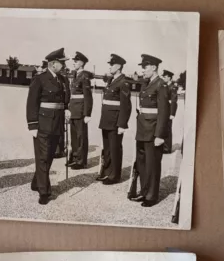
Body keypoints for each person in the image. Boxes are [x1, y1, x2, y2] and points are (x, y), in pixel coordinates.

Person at [26, 48, 71, 205]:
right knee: (43, 157)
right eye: (62, 63)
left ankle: (37, 181)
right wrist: (32, 125)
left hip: (58, 123)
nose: (64, 65)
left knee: (50, 155)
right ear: (53, 64)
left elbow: (66, 99)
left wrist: (66, 109)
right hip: (43, 123)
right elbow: (32, 103)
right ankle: (44, 191)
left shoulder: (63, 80)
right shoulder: (40, 79)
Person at [128, 54, 170, 208]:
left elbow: (164, 112)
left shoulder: (161, 85)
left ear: (153, 67)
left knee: (152, 164)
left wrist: (160, 135)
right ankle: (144, 191)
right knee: (142, 163)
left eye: (145, 67)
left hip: (153, 131)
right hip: (142, 130)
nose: (143, 70)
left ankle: (151, 196)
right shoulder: (147, 83)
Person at [98, 53, 131, 184]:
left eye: (111, 64)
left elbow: (126, 105)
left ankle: (115, 175)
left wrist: (122, 124)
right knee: (107, 148)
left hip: (115, 121)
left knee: (115, 148)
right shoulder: (112, 80)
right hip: (106, 119)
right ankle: (107, 172)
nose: (110, 67)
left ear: (118, 66)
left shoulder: (123, 82)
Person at [66, 52, 93, 170]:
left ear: (82, 63)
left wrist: (87, 113)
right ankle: (75, 158)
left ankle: (81, 161)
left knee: (81, 136)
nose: (74, 63)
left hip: (81, 110)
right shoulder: (76, 75)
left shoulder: (84, 77)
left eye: (76, 61)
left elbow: (88, 96)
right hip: (74, 110)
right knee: (74, 136)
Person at [161, 69, 178, 154]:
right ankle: (164, 146)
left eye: (165, 77)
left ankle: (167, 148)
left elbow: (174, 101)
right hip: (164, 111)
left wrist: (172, 113)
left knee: (167, 129)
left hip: (168, 112)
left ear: (169, 77)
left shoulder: (172, 87)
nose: (163, 78)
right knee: (163, 128)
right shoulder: (165, 86)